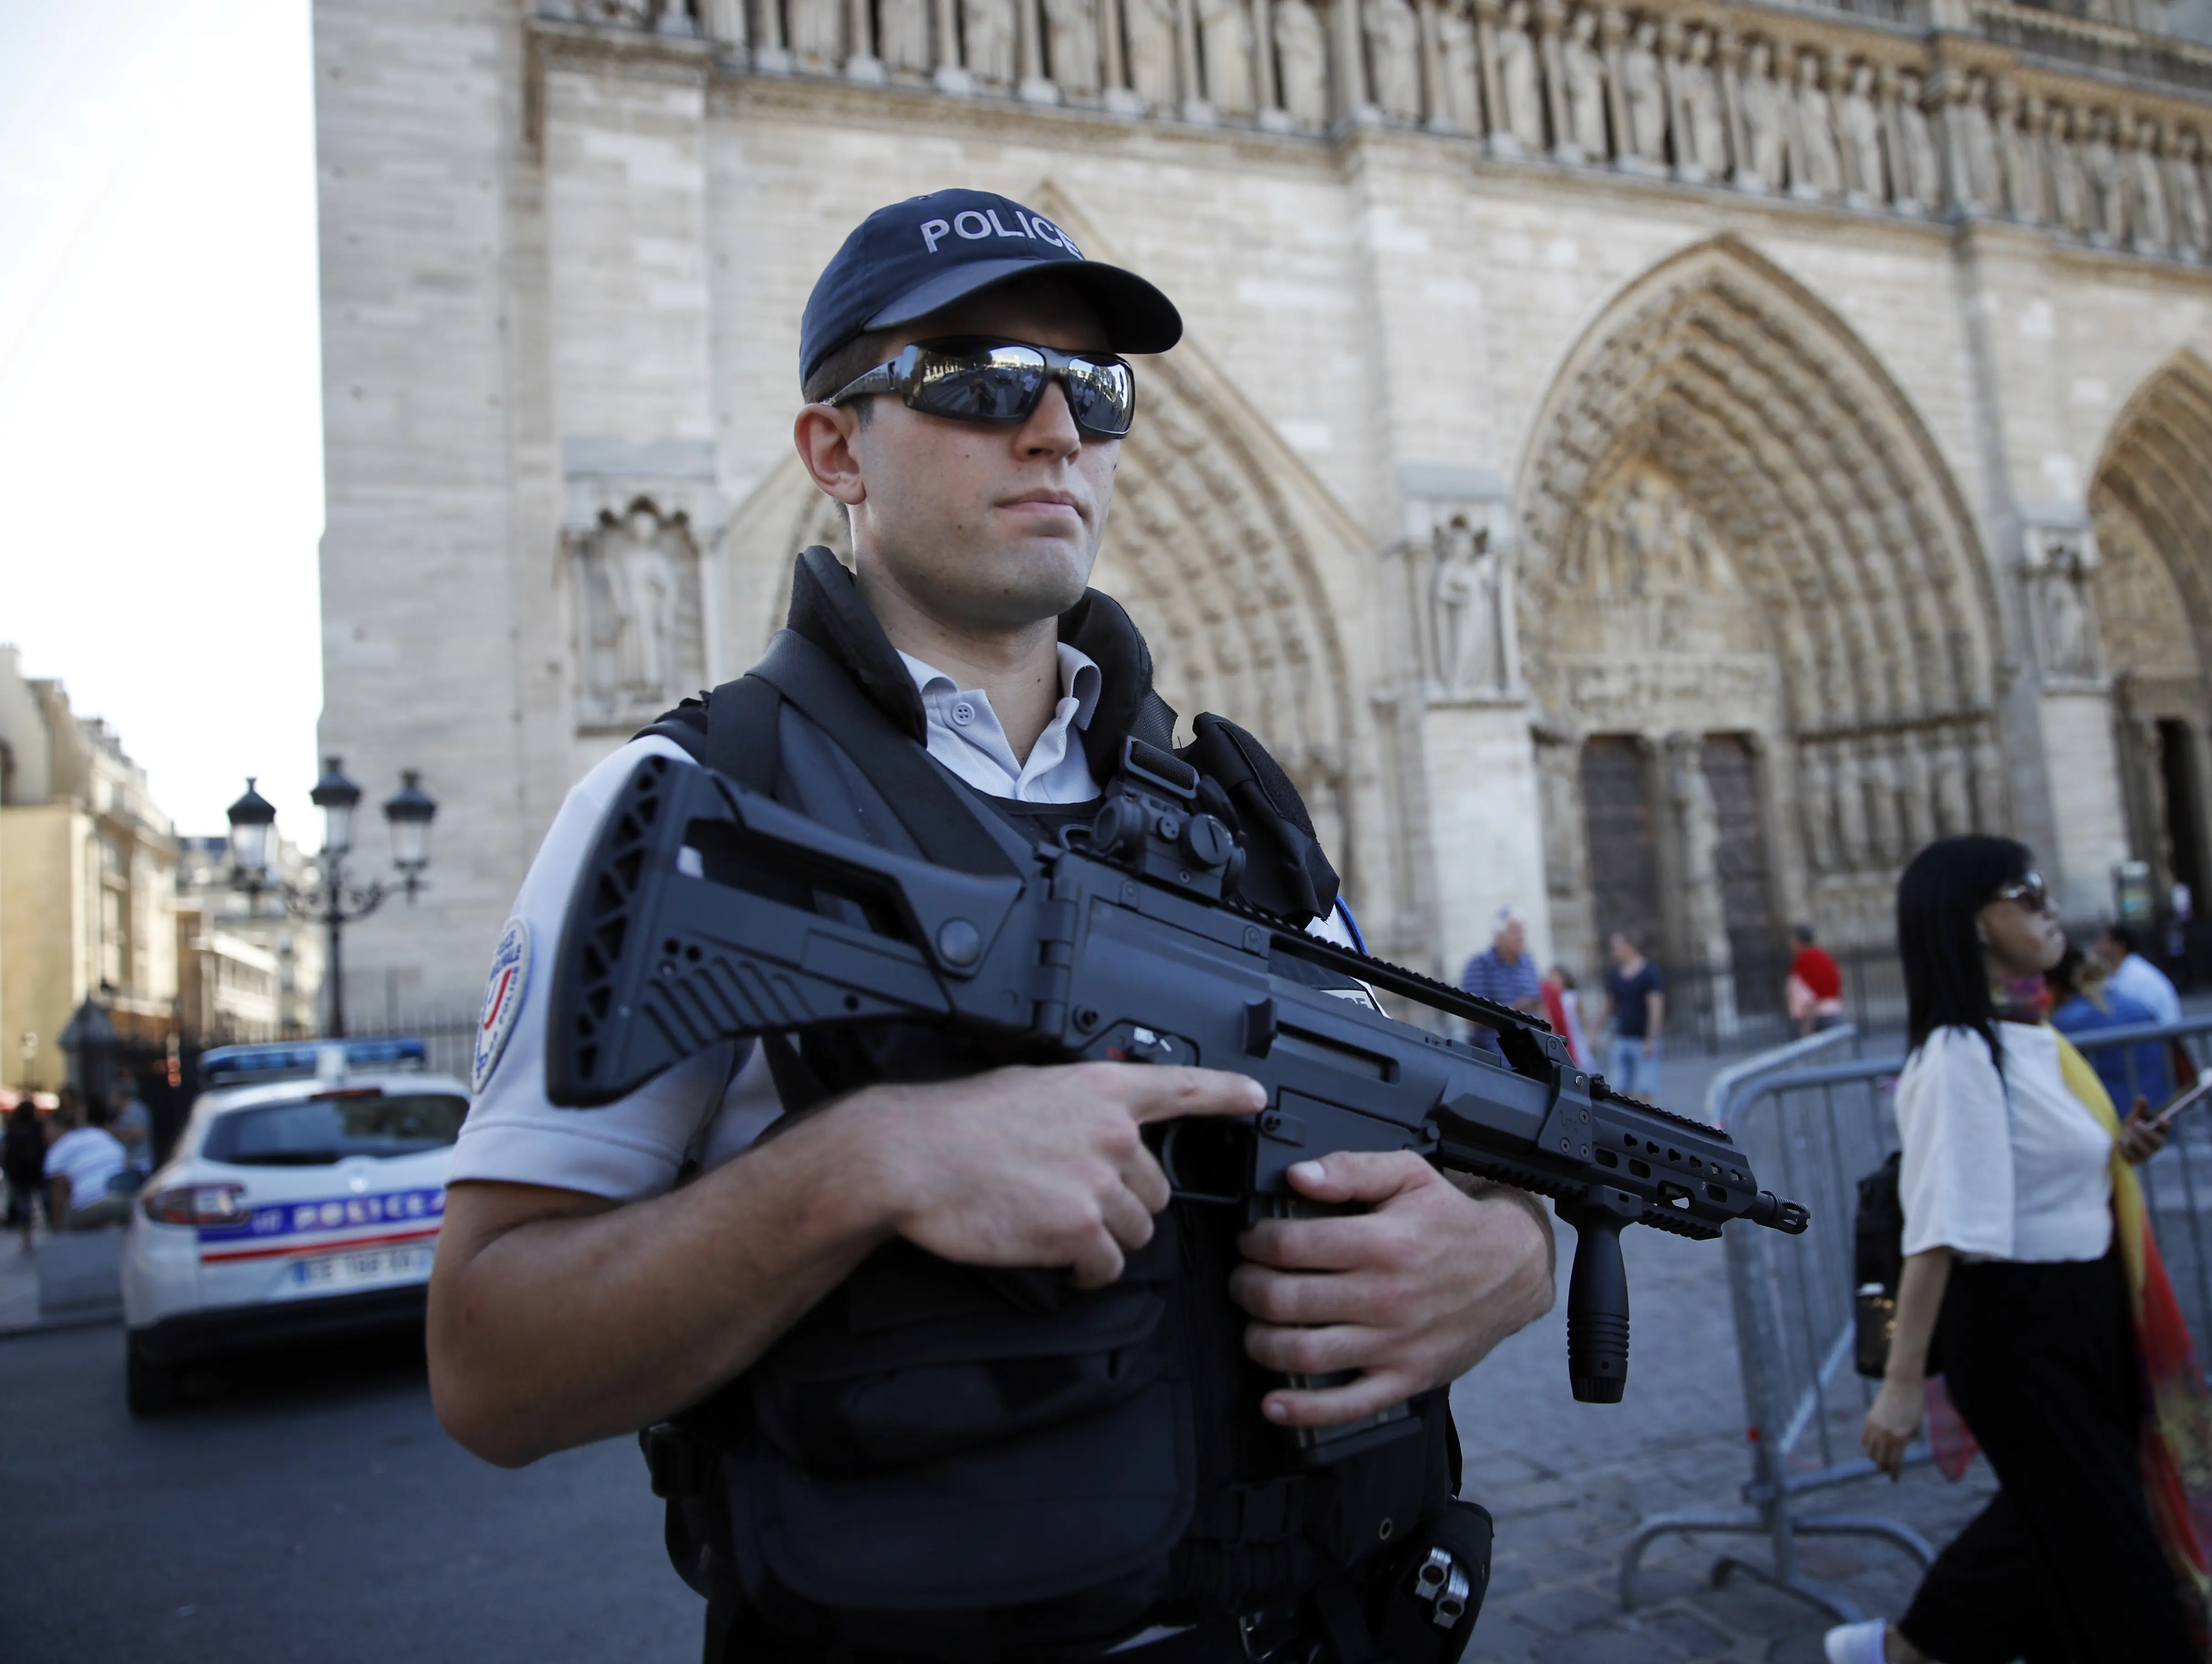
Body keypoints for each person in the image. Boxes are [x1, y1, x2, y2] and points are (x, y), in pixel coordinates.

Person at [426, 190, 1556, 1663]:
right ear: (835, 448)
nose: (1053, 430)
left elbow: (1411, 1120)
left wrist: (1509, 1249)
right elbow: (492, 1363)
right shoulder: (691, 805)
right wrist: (861, 1160)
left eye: (1094, 390)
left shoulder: (1237, 810)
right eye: (974, 378)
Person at [1825, 837, 2212, 1664]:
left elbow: (2036, 1170)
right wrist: (1897, 1390)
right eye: (2025, 893)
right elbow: (1940, 1228)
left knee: (2063, 1530)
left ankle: (1898, 1650)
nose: (2050, 905)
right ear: (1972, 923)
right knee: (2124, 1575)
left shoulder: (2030, 1037)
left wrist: (2120, 1146)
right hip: (2024, 1333)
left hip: (2085, 1315)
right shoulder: (1958, 1054)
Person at [2045, 946, 2170, 1109]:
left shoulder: (2067, 1022)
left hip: (2117, 1124)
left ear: (2053, 986)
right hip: (2161, 1117)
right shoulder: (2133, 1005)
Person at [1460, 906, 1546, 1051]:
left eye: (1522, 931)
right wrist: (1515, 1009)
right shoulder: (1480, 965)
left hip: (1532, 1052)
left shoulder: (1528, 963)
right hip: (1497, 1057)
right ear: (1498, 935)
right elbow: (1470, 1017)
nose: (1521, 937)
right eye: (1514, 931)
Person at [44, 1097, 133, 1232]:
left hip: (88, 1207)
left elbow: (58, 1191)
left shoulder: (59, 1149)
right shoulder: (103, 1135)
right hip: (122, 1201)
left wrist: (57, 1225)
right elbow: (126, 1164)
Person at [1599, 930, 1664, 1099]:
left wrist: (1651, 1038)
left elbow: (1655, 1007)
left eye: (1617, 947)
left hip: (1643, 1039)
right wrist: (1594, 1031)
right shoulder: (1615, 976)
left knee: (1646, 1090)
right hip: (1622, 1037)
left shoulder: (1649, 973)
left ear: (1630, 947)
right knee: (1621, 1090)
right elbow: (1607, 1006)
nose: (1614, 952)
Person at [2094, 922, 2181, 1026]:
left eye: (2103, 941)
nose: (2097, 946)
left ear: (2119, 946)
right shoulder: (2117, 972)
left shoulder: (2137, 975)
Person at [1785, 924, 1844, 1035]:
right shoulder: (1823, 957)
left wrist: (1808, 1027)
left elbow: (1809, 997)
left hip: (1817, 1018)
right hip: (1831, 1013)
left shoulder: (1805, 961)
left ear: (1797, 941)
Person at [4, 1101, 47, 1252]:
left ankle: (26, 1239)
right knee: (45, 1200)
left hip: (18, 1173)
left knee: (23, 1207)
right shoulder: (38, 1127)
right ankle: (55, 1231)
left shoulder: (12, 1127)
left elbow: (6, 1150)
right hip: (38, 1170)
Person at [1540, 963, 1592, 1070]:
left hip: (1575, 1035)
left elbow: (1583, 1019)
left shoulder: (1571, 997)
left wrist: (1589, 1035)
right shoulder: (1551, 997)